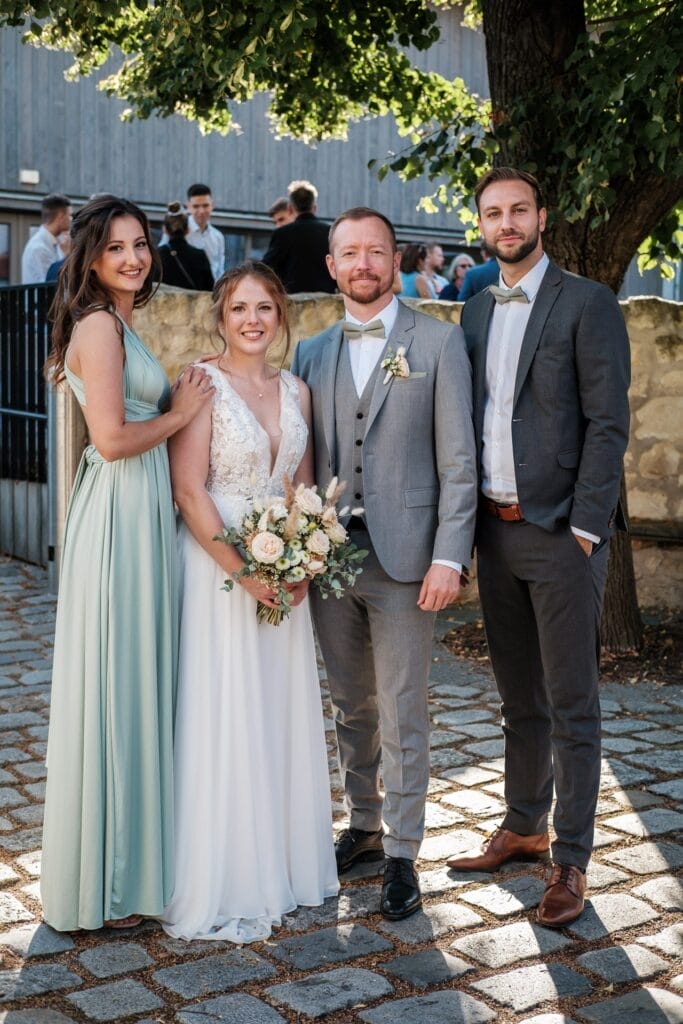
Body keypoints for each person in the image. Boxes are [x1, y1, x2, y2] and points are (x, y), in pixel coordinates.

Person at [447, 167, 630, 928]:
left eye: (519, 208)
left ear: (541, 215)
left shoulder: (586, 302)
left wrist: (585, 526)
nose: (507, 222)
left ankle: (571, 860)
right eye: (493, 212)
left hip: (561, 536)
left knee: (570, 704)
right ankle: (521, 826)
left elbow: (607, 423)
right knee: (516, 697)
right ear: (482, 224)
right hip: (495, 532)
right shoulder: (476, 307)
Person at [292, 207, 477, 921]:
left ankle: (403, 850)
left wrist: (448, 557)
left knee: (402, 707)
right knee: (349, 703)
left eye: (375, 252)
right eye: (349, 254)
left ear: (394, 260)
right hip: (331, 560)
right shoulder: (310, 352)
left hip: (408, 562)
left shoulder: (436, 341)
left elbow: (459, 462)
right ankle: (363, 826)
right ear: (332, 266)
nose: (363, 264)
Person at [40, 194, 213, 932]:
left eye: (140, 245)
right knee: (119, 691)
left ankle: (129, 867)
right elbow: (110, 440)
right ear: (91, 256)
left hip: (134, 511)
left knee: (134, 684)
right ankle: (110, 887)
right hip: (117, 515)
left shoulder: (118, 322)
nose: (135, 258)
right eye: (117, 248)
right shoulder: (99, 325)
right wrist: (181, 411)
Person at [162, 261, 338, 942]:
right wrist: (243, 571)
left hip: (282, 569)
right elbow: (188, 490)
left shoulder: (296, 389)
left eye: (265, 307)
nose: (253, 320)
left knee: (275, 708)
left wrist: (304, 560)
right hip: (217, 569)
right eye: (239, 308)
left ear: (282, 316)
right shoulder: (200, 384)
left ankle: (285, 860)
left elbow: (301, 485)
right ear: (220, 315)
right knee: (224, 710)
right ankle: (229, 869)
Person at [262, 179, 335, 293]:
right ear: (314, 208)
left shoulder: (282, 234)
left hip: (294, 303)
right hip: (327, 304)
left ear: (290, 208)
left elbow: (266, 269)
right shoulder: (331, 232)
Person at [157, 202, 214, 291]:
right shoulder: (199, 256)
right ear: (187, 230)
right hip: (193, 305)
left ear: (165, 229)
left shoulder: (156, 256)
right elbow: (209, 290)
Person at [21, 194, 72, 283]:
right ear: (60, 217)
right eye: (69, 215)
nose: (71, 219)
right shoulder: (39, 248)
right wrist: (67, 255)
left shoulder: (55, 243)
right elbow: (51, 284)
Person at [185, 183, 225, 281]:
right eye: (196, 206)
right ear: (188, 207)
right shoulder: (179, 232)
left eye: (205, 205)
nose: (201, 211)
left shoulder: (218, 237)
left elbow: (220, 270)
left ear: (212, 205)